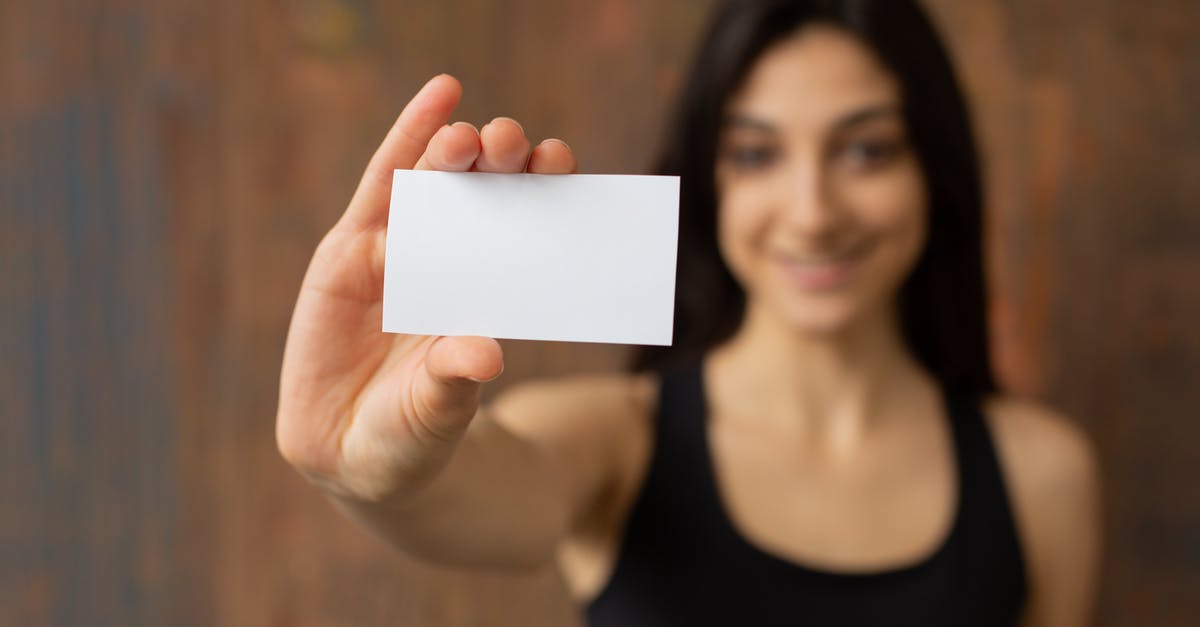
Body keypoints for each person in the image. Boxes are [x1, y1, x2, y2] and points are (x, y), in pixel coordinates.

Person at [276, 0, 1101, 625]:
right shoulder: (615, 441)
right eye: (755, 153)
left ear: (935, 172)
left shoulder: (1042, 476)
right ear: (712, 182)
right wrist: (368, 473)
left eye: (866, 149)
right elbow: (467, 494)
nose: (812, 212)